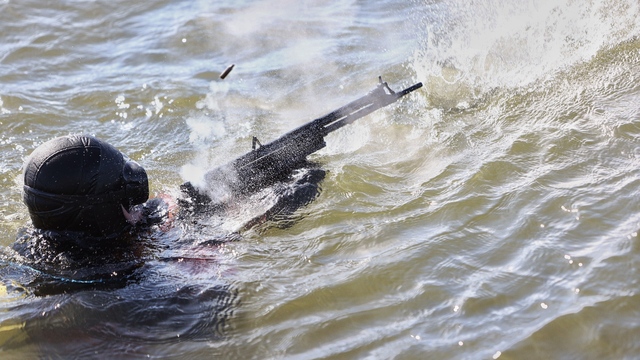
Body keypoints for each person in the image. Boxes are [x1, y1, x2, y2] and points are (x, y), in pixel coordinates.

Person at [10, 133, 324, 294]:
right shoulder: (130, 285)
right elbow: (216, 313)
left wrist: (182, 200)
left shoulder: (35, 247)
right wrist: (234, 232)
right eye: (130, 200)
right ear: (104, 215)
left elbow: (146, 218)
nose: (140, 205)